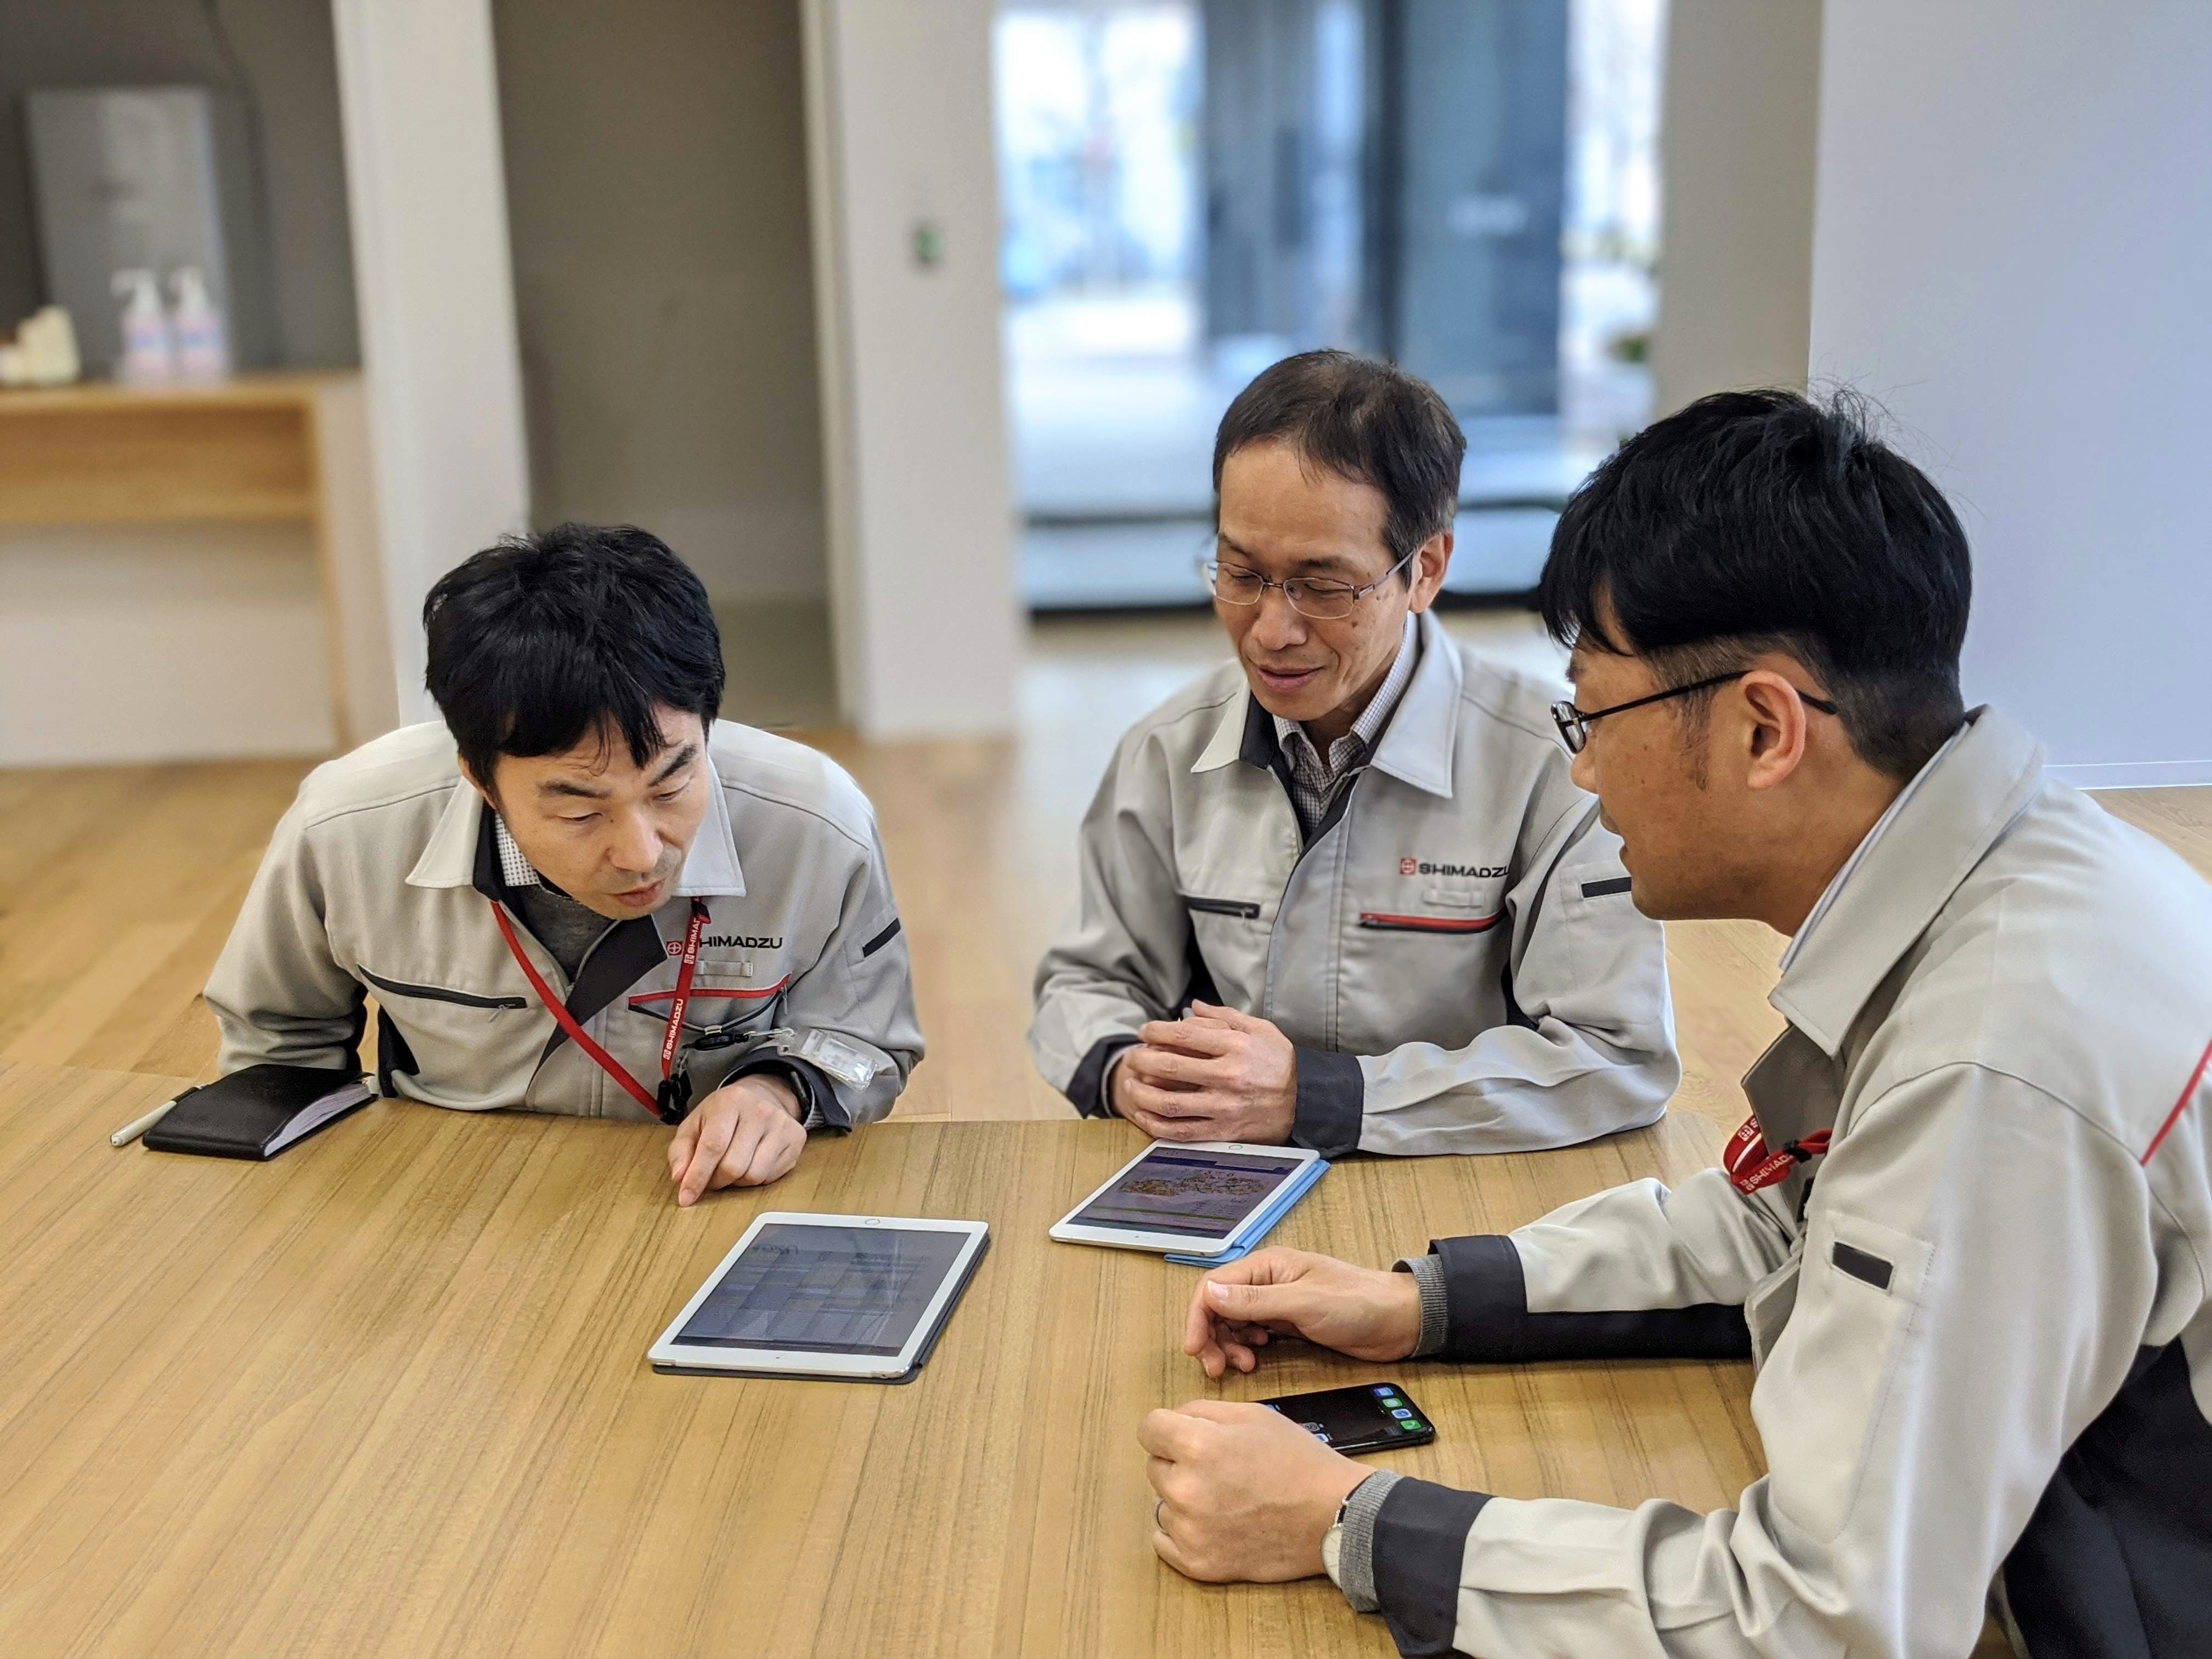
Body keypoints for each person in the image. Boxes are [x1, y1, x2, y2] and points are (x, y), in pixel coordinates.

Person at [1140, 390, 2212, 1656]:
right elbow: (1791, 1216)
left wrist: (1350, 1519)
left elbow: (1821, 1615)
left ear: (1765, 727)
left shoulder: (1998, 1057)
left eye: (1592, 715)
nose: (1583, 771)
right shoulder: (2012, 875)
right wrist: (1419, 1304)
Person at [1029, 350, 1677, 1159]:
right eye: (1240, 572)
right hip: (1229, 1181)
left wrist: (1323, 1100)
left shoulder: (1553, 767)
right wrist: (1124, 1068)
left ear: (1425, 570)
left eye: (1323, 586)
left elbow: (1614, 1057)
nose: (1272, 630)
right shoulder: (1167, 750)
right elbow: (1086, 982)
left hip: (1467, 1187)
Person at [205, 524, 922, 1203]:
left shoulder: (816, 825)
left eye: (672, 784)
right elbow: (276, 1045)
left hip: (702, 1203)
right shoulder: (346, 829)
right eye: (581, 812)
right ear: (479, 779)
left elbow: (869, 1039)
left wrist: (778, 1090)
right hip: (439, 1203)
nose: (641, 853)